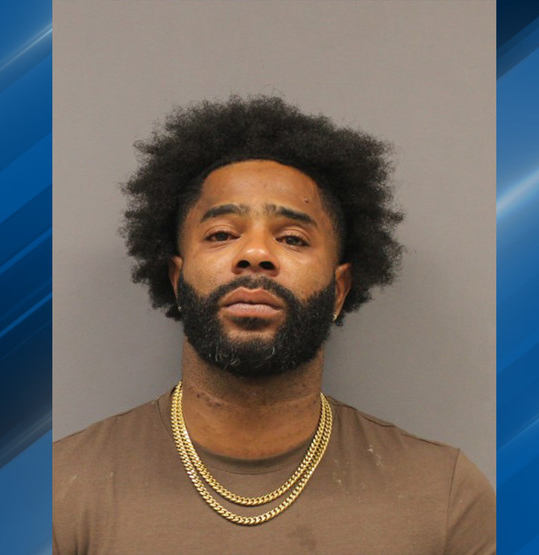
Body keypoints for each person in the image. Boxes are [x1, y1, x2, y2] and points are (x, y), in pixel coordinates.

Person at [52, 96, 496, 554]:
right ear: (177, 281)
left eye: (292, 238)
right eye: (222, 234)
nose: (255, 254)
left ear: (339, 290)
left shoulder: (445, 497)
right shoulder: (60, 491)